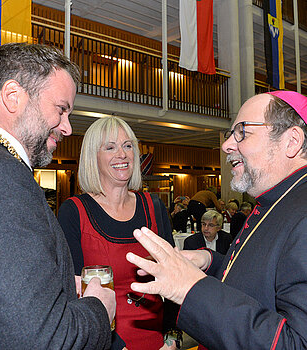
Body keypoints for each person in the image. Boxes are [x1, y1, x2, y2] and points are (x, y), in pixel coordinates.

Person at [0, 43, 115, 349]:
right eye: (61, 109)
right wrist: (98, 308)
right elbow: (36, 338)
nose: (67, 128)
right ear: (13, 96)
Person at [126, 91, 307, 349]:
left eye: (242, 132)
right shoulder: (276, 200)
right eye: (230, 134)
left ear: (291, 141)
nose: (226, 145)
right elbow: (266, 279)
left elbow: (295, 343)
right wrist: (210, 263)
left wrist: (192, 289)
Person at [58, 116, 179, 350]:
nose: (122, 154)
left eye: (127, 145)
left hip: (158, 343)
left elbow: (176, 278)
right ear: (93, 157)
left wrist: (172, 337)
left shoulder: (154, 206)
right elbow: (71, 297)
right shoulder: (73, 212)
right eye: (110, 147)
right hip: (103, 342)